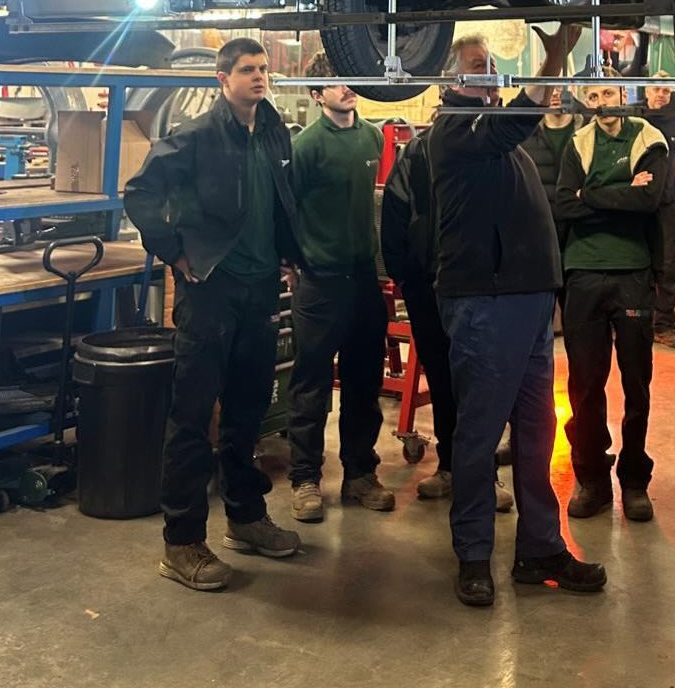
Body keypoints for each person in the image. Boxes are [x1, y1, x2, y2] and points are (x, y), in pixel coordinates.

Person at [430, 24, 606, 607]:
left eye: (491, 65)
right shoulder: (454, 131)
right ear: (451, 80)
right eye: (476, 66)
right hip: (486, 301)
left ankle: (539, 547)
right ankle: (473, 554)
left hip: (528, 302)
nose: (488, 75)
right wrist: (555, 53)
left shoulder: (495, 134)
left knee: (535, 433)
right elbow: (516, 120)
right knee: (479, 435)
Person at [124, 37, 302, 591]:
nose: (259, 77)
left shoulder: (274, 133)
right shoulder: (197, 136)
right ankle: (182, 544)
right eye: (247, 70)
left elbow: (280, 200)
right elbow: (140, 192)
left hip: (259, 291)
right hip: (211, 290)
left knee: (247, 414)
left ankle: (246, 518)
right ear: (221, 80)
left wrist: (289, 255)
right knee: (194, 417)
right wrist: (175, 251)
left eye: (263, 69)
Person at [554, 72, 668, 522]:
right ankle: (592, 479)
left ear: (625, 95)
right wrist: (620, 192)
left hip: (633, 274)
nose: (603, 102)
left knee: (636, 383)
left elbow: (649, 200)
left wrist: (591, 195)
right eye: (594, 96)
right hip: (582, 274)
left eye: (609, 93)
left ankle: (635, 480)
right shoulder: (578, 143)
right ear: (587, 102)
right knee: (584, 384)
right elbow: (564, 204)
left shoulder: (650, 137)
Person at [380, 131, 513, 513]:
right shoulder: (419, 152)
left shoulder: (494, 144)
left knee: (480, 381)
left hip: (480, 285)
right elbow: (395, 208)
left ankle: (484, 474)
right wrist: (403, 274)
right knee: (440, 377)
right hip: (428, 283)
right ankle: (451, 467)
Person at [285, 52, 393, 521]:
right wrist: (292, 262)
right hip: (320, 281)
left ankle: (360, 474)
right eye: (335, 83)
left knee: (363, 382)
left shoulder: (372, 135)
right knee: (311, 383)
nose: (347, 87)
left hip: (363, 279)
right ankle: (305, 478)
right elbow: (287, 210)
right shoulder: (307, 145)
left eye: (351, 79)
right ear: (316, 95)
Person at [639, 71, 675, 349]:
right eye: (656, 90)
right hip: (635, 203)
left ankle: (664, 325)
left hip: (667, 202)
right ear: (646, 92)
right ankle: (634, 321)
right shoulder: (635, 119)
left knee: (669, 264)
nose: (661, 95)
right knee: (637, 262)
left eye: (666, 92)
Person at [519, 85, 577, 233]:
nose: (556, 93)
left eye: (561, 87)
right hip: (538, 227)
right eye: (550, 87)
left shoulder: (588, 130)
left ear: (574, 89)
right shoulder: (525, 135)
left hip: (579, 229)